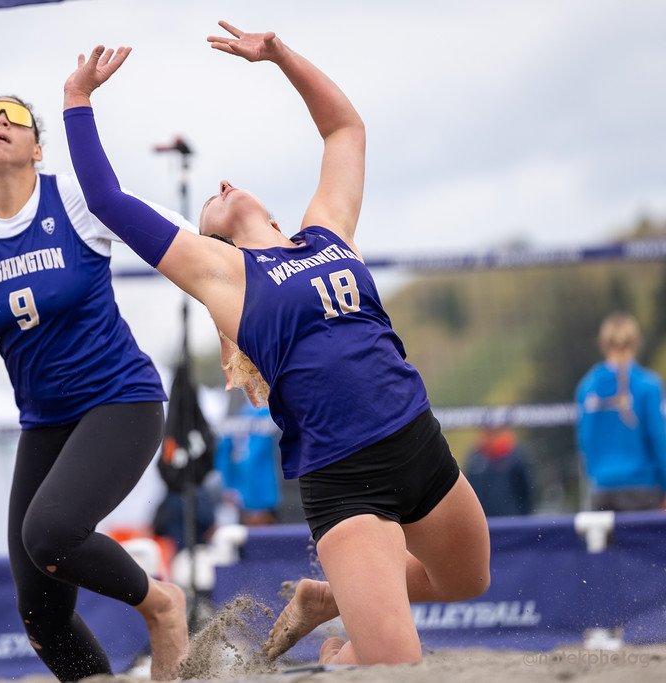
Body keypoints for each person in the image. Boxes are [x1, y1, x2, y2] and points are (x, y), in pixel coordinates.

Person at [61, 22, 491, 666]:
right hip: (346, 477)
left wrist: (280, 55)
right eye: (210, 200)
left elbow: (345, 130)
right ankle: (347, 633)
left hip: (417, 438)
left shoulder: (325, 234)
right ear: (209, 239)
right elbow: (106, 198)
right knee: (398, 667)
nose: (224, 185)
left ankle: (332, 600)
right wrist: (77, 100)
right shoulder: (224, 276)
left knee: (467, 581)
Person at [0, 95, 190, 681]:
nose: (0, 123)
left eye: (16, 119)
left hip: (121, 399)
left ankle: (161, 604)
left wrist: (231, 308)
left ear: (37, 150)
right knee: (40, 613)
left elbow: (183, 239)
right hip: (45, 420)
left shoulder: (74, 200)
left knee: (49, 533)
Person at [575, 312, 666, 512]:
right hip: (643, 488)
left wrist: (598, 475)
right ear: (637, 342)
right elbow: (659, 439)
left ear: (602, 343)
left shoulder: (587, 387)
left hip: (602, 488)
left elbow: (584, 441)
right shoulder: (648, 386)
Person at [463, 426, 534, 517]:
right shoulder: (476, 456)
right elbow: (468, 491)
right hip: (483, 520)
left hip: (511, 521)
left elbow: (525, 492)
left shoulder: (516, 456)